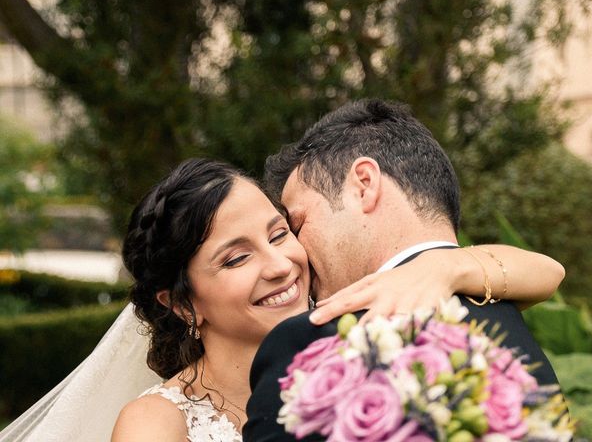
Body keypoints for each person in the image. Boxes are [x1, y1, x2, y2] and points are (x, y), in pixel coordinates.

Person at [0, 157, 561, 442]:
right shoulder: (156, 423)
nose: (280, 265)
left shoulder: (351, 334)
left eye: (278, 233)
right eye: (235, 258)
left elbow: (546, 274)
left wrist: (444, 265)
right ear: (181, 304)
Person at [243, 99, 563, 441]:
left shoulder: (314, 340)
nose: (296, 252)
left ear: (364, 184)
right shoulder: (505, 313)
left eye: (298, 224)